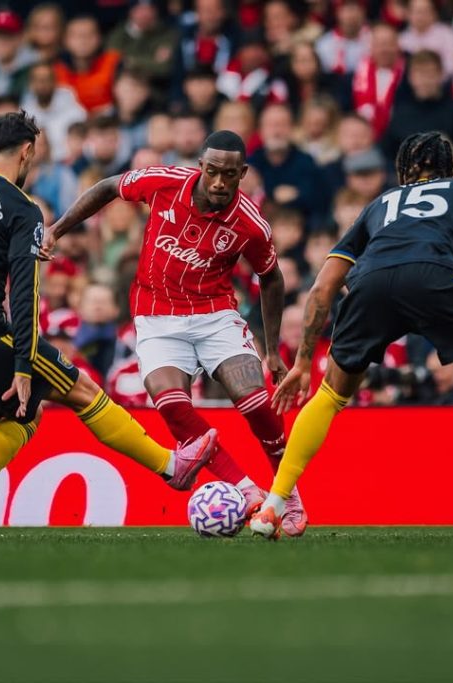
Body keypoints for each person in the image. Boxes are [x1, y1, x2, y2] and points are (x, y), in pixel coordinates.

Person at [0, 111, 217, 542]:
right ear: (27, 152)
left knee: (24, 418)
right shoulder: (22, 208)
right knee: (82, 390)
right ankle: (172, 467)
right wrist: (24, 366)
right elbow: (25, 293)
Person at [252, 131, 453, 542]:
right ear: (447, 167)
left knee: (331, 395)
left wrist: (302, 362)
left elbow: (323, 286)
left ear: (404, 169)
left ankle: (274, 504)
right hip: (432, 277)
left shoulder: (379, 204)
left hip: (369, 284)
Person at [43, 129, 308, 535]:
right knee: (172, 406)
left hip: (215, 315)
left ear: (243, 174)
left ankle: (286, 494)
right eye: (213, 171)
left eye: (230, 174)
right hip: (157, 316)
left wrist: (271, 350)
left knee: (255, 401)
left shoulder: (250, 224)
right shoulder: (164, 182)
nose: (219, 182)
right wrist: (57, 230)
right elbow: (108, 186)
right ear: (201, 166)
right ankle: (250, 493)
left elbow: (271, 278)